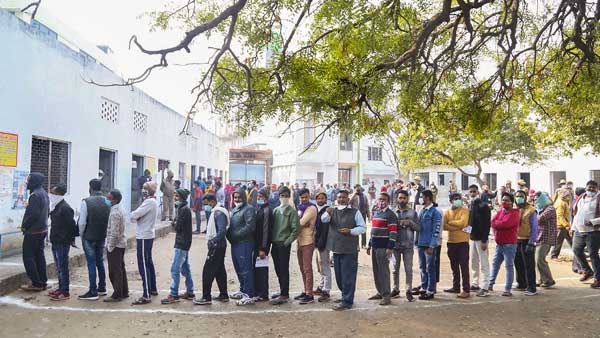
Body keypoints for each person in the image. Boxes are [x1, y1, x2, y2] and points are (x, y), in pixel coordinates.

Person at [321, 190, 366, 310]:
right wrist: (327, 213)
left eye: (344, 198)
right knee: (339, 276)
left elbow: (362, 228)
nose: (341, 199)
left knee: (348, 277)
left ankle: (347, 301)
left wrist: (350, 231)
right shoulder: (332, 211)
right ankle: (345, 295)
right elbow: (323, 220)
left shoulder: (355, 212)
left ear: (348, 199)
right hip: (336, 249)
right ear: (336, 199)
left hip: (350, 250)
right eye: (339, 197)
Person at [194, 194, 231, 305]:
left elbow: (222, 230)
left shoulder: (218, 213)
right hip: (219, 245)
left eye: (207, 204)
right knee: (219, 270)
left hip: (217, 246)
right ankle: (224, 294)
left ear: (212, 202)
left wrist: (213, 241)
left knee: (208, 271)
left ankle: (206, 297)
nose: (206, 207)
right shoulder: (219, 211)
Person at [78, 178, 111, 300]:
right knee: (100, 261)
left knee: (91, 263)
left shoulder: (86, 202)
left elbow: (82, 223)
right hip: (102, 235)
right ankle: (102, 287)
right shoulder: (107, 201)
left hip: (89, 237)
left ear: (90, 188)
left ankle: (92, 291)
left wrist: (82, 235)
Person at [162, 189, 194, 304]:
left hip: (182, 243)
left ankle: (174, 294)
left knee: (175, 269)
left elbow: (178, 227)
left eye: (176, 196)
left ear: (181, 197)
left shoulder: (183, 210)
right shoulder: (182, 209)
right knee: (185, 268)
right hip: (184, 242)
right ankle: (190, 291)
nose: (175, 198)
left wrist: (173, 223)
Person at [366, 192, 398, 305]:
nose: (381, 202)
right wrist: (369, 245)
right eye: (380, 199)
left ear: (388, 202)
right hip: (375, 246)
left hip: (383, 248)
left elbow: (393, 232)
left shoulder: (391, 215)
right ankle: (380, 292)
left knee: (383, 272)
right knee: (376, 271)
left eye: (384, 200)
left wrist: (390, 247)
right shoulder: (376, 213)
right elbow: (373, 231)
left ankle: (386, 295)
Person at [270, 187, 300, 305]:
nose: (284, 198)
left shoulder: (291, 211)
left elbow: (295, 229)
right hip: (275, 244)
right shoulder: (276, 210)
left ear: (289, 196)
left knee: (283, 269)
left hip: (283, 244)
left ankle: (285, 294)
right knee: (278, 268)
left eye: (286, 195)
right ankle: (282, 290)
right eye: (282, 195)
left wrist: (287, 242)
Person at [131, 181, 159, 305]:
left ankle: (146, 294)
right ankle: (152, 288)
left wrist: (135, 216)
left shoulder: (148, 202)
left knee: (143, 264)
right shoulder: (152, 201)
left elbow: (134, 215)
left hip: (143, 235)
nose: (142, 190)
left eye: (144, 188)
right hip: (148, 234)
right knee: (148, 262)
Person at [227, 187, 257, 305]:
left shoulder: (248, 209)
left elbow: (250, 227)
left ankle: (248, 294)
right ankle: (242, 289)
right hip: (235, 243)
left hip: (244, 243)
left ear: (244, 197)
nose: (237, 199)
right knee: (238, 267)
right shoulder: (235, 209)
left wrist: (235, 235)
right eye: (235, 197)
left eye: (239, 197)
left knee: (245, 268)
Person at [47, 183, 77, 300]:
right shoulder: (56, 206)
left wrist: (72, 240)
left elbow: (72, 226)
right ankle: (60, 288)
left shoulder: (65, 208)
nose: (51, 195)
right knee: (58, 266)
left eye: (53, 193)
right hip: (55, 240)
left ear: (59, 194)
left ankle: (65, 291)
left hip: (63, 241)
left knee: (63, 266)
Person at [489, 192, 520, 297]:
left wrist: (497, 223)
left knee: (509, 266)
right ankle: (490, 284)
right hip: (500, 243)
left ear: (512, 202)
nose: (504, 202)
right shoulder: (500, 212)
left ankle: (508, 289)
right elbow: (492, 222)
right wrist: (498, 223)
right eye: (503, 200)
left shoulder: (515, 213)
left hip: (509, 244)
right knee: (495, 264)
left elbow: (505, 224)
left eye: (506, 200)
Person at [571, 180, 600, 288]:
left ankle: (598, 279)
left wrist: (593, 222)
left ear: (597, 189)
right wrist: (573, 227)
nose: (591, 189)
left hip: (593, 232)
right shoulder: (582, 197)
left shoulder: (598, 198)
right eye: (589, 187)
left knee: (593, 255)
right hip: (579, 230)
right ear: (586, 188)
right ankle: (587, 271)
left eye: (593, 188)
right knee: (576, 250)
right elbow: (577, 214)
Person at [392, 190, 420, 302]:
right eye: (400, 198)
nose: (402, 200)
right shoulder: (393, 212)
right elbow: (389, 227)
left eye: (404, 198)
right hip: (395, 245)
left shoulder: (413, 213)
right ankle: (395, 289)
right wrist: (398, 224)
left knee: (408, 269)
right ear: (397, 199)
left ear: (407, 199)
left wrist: (410, 223)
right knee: (395, 269)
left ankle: (408, 291)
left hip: (408, 245)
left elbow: (419, 228)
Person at [415, 190, 442, 300]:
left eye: (422, 197)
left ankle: (430, 290)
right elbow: (419, 227)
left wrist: (432, 245)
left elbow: (436, 230)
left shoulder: (435, 212)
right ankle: (424, 287)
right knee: (422, 267)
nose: (421, 199)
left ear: (428, 198)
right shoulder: (422, 210)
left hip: (429, 245)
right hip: (421, 243)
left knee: (430, 267)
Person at [443, 192, 471, 298]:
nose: (458, 200)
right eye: (455, 199)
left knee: (463, 266)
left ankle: (466, 289)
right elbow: (444, 225)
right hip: (451, 242)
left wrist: (451, 223)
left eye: (459, 198)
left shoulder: (465, 210)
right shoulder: (447, 212)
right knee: (454, 266)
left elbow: (463, 223)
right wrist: (456, 225)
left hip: (463, 241)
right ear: (451, 201)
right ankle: (456, 287)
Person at [104, 189, 129, 302]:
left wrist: (110, 246)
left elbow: (114, 232)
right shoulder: (120, 209)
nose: (107, 200)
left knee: (114, 270)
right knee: (120, 269)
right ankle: (124, 291)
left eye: (109, 198)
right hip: (121, 243)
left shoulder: (115, 213)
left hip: (116, 245)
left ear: (115, 200)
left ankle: (118, 293)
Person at [467, 185, 491, 297]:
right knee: (474, 262)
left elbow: (486, 224)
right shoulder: (471, 205)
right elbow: (471, 222)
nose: (472, 193)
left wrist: (484, 240)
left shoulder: (483, 206)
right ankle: (475, 283)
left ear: (478, 192)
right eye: (471, 192)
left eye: (474, 191)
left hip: (481, 238)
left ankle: (485, 286)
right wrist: (466, 232)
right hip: (473, 237)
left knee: (484, 263)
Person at [294, 189, 318, 304]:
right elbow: (298, 223)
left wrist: (300, 223)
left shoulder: (311, 208)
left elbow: (300, 223)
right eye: (302, 197)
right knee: (302, 267)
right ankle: (306, 290)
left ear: (309, 196)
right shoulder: (300, 208)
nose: (304, 199)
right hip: (299, 241)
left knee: (307, 268)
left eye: (306, 197)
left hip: (308, 241)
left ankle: (310, 295)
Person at [513, 190, 538, 296]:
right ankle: (521, 283)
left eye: (521, 196)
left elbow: (534, 227)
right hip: (516, 239)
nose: (519, 198)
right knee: (518, 262)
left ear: (526, 197)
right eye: (517, 196)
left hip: (527, 240)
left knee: (529, 264)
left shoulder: (531, 210)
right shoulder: (515, 209)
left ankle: (531, 287)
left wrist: (532, 242)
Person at [533, 191, 557, 289]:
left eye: (537, 199)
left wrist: (533, 212)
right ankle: (542, 279)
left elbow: (539, 219)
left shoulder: (550, 209)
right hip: (539, 237)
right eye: (534, 199)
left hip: (546, 238)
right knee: (536, 260)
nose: (535, 200)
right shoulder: (540, 209)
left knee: (540, 259)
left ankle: (549, 280)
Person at [254, 188, 273, 302]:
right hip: (257, 244)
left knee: (262, 270)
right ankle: (258, 292)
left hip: (262, 246)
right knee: (257, 269)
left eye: (261, 197)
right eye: (258, 197)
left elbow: (266, 231)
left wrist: (263, 249)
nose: (259, 199)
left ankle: (263, 294)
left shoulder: (266, 211)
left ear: (266, 198)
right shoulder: (260, 209)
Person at [313, 192, 332, 302]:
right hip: (317, 241)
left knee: (325, 266)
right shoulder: (317, 209)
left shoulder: (327, 210)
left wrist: (321, 243)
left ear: (325, 199)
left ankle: (326, 290)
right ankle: (321, 287)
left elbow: (325, 229)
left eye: (322, 198)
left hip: (323, 242)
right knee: (320, 265)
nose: (320, 200)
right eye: (318, 198)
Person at [551, 190, 573, 260]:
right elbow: (559, 216)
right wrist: (566, 225)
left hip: (564, 225)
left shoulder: (563, 202)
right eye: (566, 195)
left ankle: (578, 253)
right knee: (559, 241)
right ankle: (554, 255)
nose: (568, 196)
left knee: (572, 239)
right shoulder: (560, 203)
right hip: (561, 226)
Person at [350, 184, 370, 249]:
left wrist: (369, 216)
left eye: (359, 187)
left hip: (363, 214)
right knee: (356, 230)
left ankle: (363, 244)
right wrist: (353, 194)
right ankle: (356, 245)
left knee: (363, 229)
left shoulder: (364, 196)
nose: (358, 188)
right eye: (356, 187)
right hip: (355, 214)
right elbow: (349, 202)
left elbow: (367, 206)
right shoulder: (353, 196)